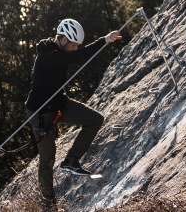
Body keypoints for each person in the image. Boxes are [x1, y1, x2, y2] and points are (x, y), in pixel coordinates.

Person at [25, 18, 123, 209]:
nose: (76, 48)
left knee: (94, 119)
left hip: (60, 104)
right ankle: (49, 205)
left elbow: (74, 56)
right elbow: (75, 58)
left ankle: (71, 161)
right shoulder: (48, 55)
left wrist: (104, 40)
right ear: (62, 39)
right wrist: (104, 40)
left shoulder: (60, 51)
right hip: (40, 113)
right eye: (73, 44)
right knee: (47, 160)